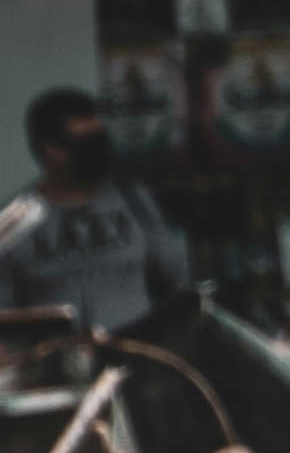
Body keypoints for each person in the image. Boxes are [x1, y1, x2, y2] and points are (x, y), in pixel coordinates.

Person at [0, 89, 191, 340]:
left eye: (100, 139)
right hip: (58, 369)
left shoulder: (134, 200)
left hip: (142, 358)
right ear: (51, 149)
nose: (98, 151)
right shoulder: (15, 221)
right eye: (86, 144)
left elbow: (177, 280)